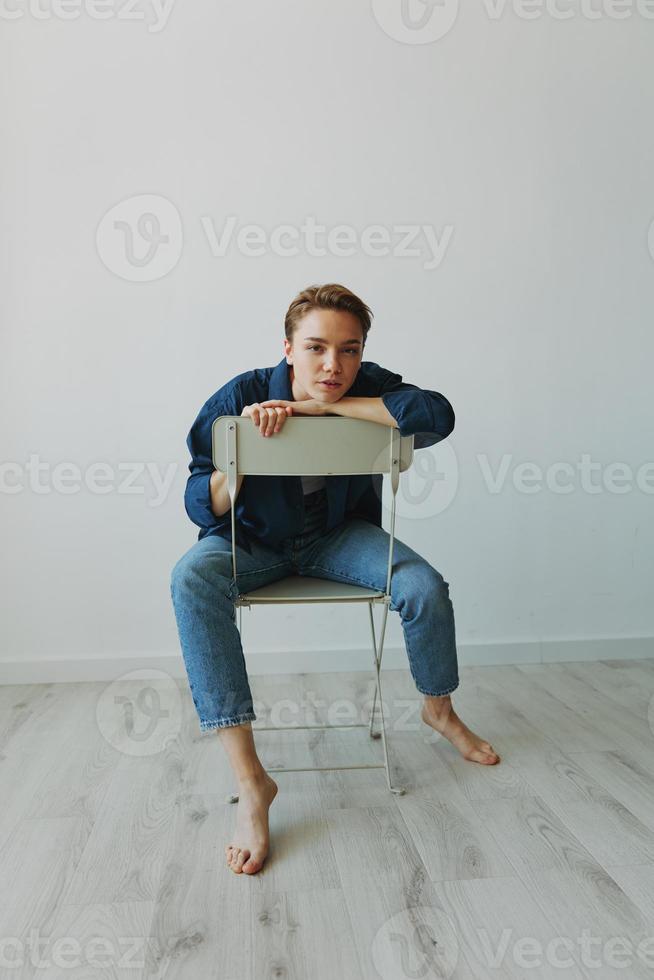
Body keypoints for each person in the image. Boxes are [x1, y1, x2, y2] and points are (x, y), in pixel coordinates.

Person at [170, 283, 500, 877]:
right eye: (317, 348)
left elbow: (436, 416)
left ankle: (439, 710)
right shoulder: (242, 394)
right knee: (191, 578)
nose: (333, 365)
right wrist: (240, 459)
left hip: (336, 535)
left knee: (423, 587)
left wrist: (327, 410)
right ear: (288, 349)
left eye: (349, 350)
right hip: (253, 541)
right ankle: (252, 783)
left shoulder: (366, 386)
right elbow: (200, 502)